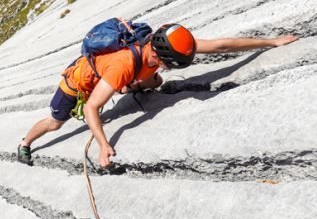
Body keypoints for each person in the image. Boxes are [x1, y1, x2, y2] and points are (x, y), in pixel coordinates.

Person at [17, 23, 298, 168]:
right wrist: (103, 145)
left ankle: (131, 86)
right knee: (55, 123)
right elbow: (91, 108)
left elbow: (219, 45)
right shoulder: (124, 65)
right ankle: (26, 143)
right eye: (172, 63)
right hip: (77, 84)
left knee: (156, 81)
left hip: (115, 76)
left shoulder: (165, 43)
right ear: (161, 54)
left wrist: (270, 42)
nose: (173, 66)